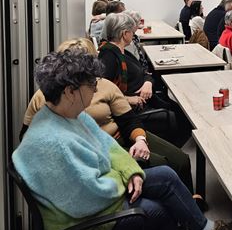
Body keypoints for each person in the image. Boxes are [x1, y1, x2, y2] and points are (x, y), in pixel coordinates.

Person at [12, 50, 231, 230]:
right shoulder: (52, 142)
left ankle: (204, 228)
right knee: (159, 209)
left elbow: (110, 147)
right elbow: (87, 199)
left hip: (103, 189)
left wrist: (131, 171)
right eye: (91, 85)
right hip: (87, 218)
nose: (96, 89)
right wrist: (123, 178)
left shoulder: (72, 114)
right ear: (70, 91)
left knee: (166, 174)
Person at [21, 38, 195, 194]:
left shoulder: (104, 86)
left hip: (122, 135)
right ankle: (179, 211)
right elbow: (27, 135)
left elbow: (128, 120)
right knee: (162, 165)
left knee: (181, 160)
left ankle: (191, 200)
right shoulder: (45, 95)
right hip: (100, 151)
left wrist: (140, 139)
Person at [98, 13, 190, 144]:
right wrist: (129, 99)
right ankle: (173, 150)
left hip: (148, 97)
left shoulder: (122, 52)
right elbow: (103, 93)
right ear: (125, 34)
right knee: (181, 116)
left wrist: (147, 83)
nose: (133, 34)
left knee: (181, 110)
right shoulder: (109, 57)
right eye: (132, 32)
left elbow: (143, 72)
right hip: (134, 108)